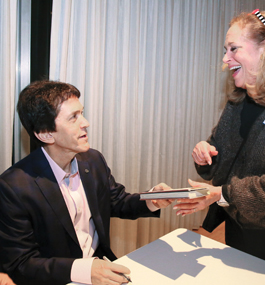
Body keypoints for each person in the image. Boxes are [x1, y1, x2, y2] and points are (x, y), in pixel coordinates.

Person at [0, 80, 174, 285]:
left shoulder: (92, 160)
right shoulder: (13, 187)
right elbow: (22, 263)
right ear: (46, 134)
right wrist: (84, 270)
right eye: (73, 118)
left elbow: (116, 201)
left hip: (100, 267)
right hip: (60, 279)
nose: (85, 122)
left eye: (81, 113)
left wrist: (153, 198)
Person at [173, 9, 265, 260]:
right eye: (225, 50)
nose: (226, 59)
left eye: (234, 48)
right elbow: (216, 163)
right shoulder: (237, 102)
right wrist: (204, 153)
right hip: (238, 233)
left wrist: (222, 194)